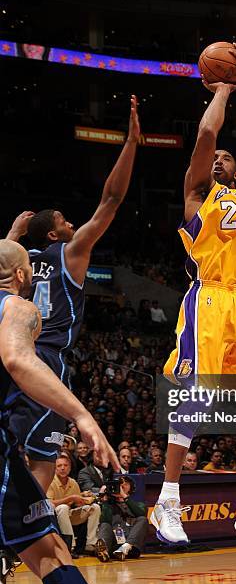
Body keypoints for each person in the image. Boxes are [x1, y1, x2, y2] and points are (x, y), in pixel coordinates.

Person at [151, 43, 236, 557]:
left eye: (228, 155)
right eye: (217, 157)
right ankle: (168, 499)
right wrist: (222, 88)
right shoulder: (199, 194)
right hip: (210, 299)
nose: (220, 157)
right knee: (197, 395)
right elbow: (206, 133)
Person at [6, 96, 140, 493]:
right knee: (43, 458)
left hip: (9, 355)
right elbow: (111, 201)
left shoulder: (17, 260)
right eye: (65, 222)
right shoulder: (70, 254)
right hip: (45, 360)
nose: (72, 224)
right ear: (53, 235)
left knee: (11, 450)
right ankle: (24, 532)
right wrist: (131, 143)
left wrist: (13, 233)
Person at [0, 238, 119, 584]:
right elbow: (18, 359)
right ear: (21, 275)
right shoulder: (19, 308)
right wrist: (81, 415)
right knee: (52, 555)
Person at [47, 453, 101, 557]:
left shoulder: (73, 482)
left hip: (70, 515)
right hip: (54, 517)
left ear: (70, 468)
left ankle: (91, 544)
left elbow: (77, 503)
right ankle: (70, 545)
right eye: (59, 466)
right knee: (63, 508)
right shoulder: (50, 481)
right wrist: (71, 498)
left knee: (95, 507)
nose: (63, 468)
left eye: (65, 465)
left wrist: (85, 498)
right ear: (55, 468)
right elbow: (49, 503)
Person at [96, 476, 148, 562]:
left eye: (126, 484)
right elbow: (105, 520)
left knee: (143, 519)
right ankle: (103, 552)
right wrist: (105, 500)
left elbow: (141, 513)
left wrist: (124, 496)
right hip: (113, 545)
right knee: (105, 524)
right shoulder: (108, 505)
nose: (122, 486)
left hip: (131, 547)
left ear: (131, 487)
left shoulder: (139, 504)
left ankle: (124, 548)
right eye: (120, 484)